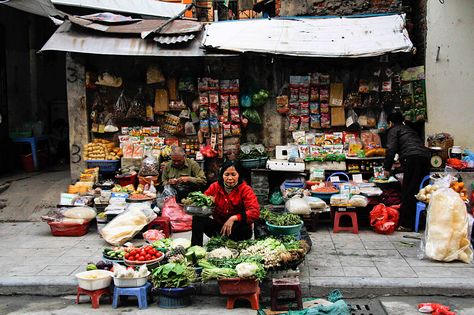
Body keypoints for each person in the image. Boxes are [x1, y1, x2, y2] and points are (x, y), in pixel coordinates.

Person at [191, 160, 260, 246]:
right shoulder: (215, 187)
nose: (230, 178)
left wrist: (234, 218)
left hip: (237, 230)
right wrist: (209, 202)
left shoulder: (245, 189)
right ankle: (196, 248)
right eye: (226, 174)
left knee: (245, 225)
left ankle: (233, 243)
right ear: (222, 175)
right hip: (219, 228)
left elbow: (254, 212)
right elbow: (202, 202)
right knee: (198, 217)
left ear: (239, 175)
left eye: (233, 174)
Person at [383, 111, 431, 232]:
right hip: (425, 158)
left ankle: (407, 224)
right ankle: (421, 222)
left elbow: (391, 149)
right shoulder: (408, 129)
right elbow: (411, 146)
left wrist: (387, 168)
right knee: (421, 191)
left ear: (390, 123)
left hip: (413, 159)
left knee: (409, 191)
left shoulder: (394, 130)